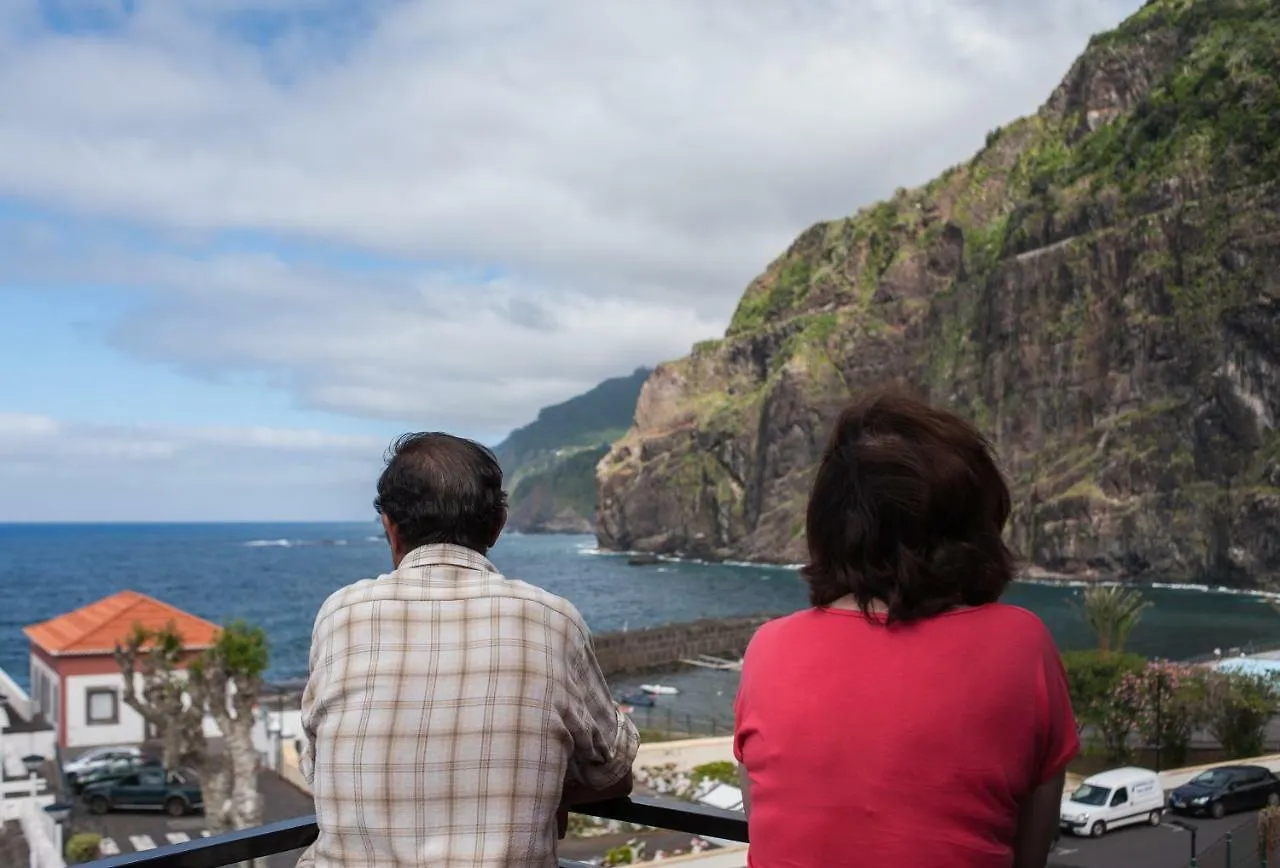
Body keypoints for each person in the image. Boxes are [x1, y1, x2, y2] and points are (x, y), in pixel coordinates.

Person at [733, 391, 1078, 868]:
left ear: (829, 525)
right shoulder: (1021, 644)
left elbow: (768, 830)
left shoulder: (768, 648)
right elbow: (1030, 852)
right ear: (972, 525)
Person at [298, 433, 638, 868]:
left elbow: (319, 766)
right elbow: (614, 773)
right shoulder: (553, 620)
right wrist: (545, 789)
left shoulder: (339, 614)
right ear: (497, 525)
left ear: (390, 526)